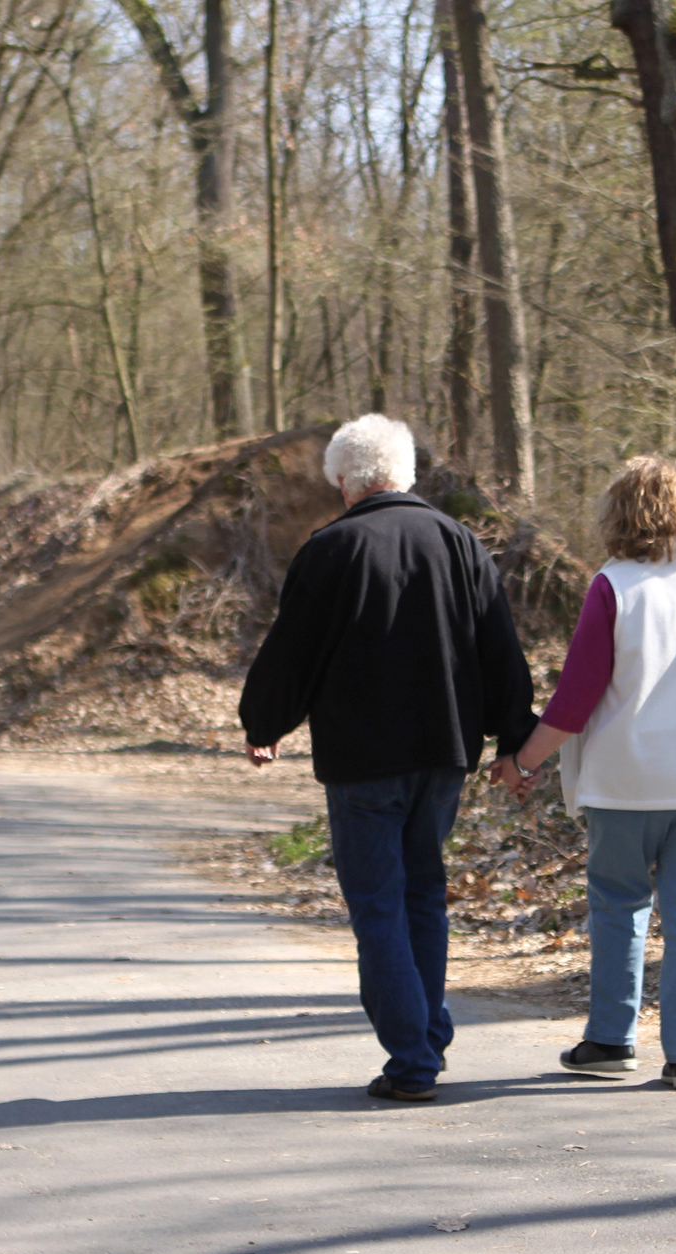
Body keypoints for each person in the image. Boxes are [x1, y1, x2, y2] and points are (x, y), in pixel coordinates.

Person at [240, 414, 537, 1104]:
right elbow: (499, 647)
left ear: (345, 481)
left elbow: (293, 650)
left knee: (378, 903)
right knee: (422, 892)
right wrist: (513, 738)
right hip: (444, 755)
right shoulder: (461, 543)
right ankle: (425, 1036)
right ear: (404, 474)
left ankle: (412, 1057)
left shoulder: (331, 548)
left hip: (362, 759)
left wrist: (266, 721)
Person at [491, 456, 676, 1091]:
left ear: (618, 514)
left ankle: (609, 1041)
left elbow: (574, 701)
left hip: (624, 785)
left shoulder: (614, 587)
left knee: (619, 907)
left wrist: (522, 762)